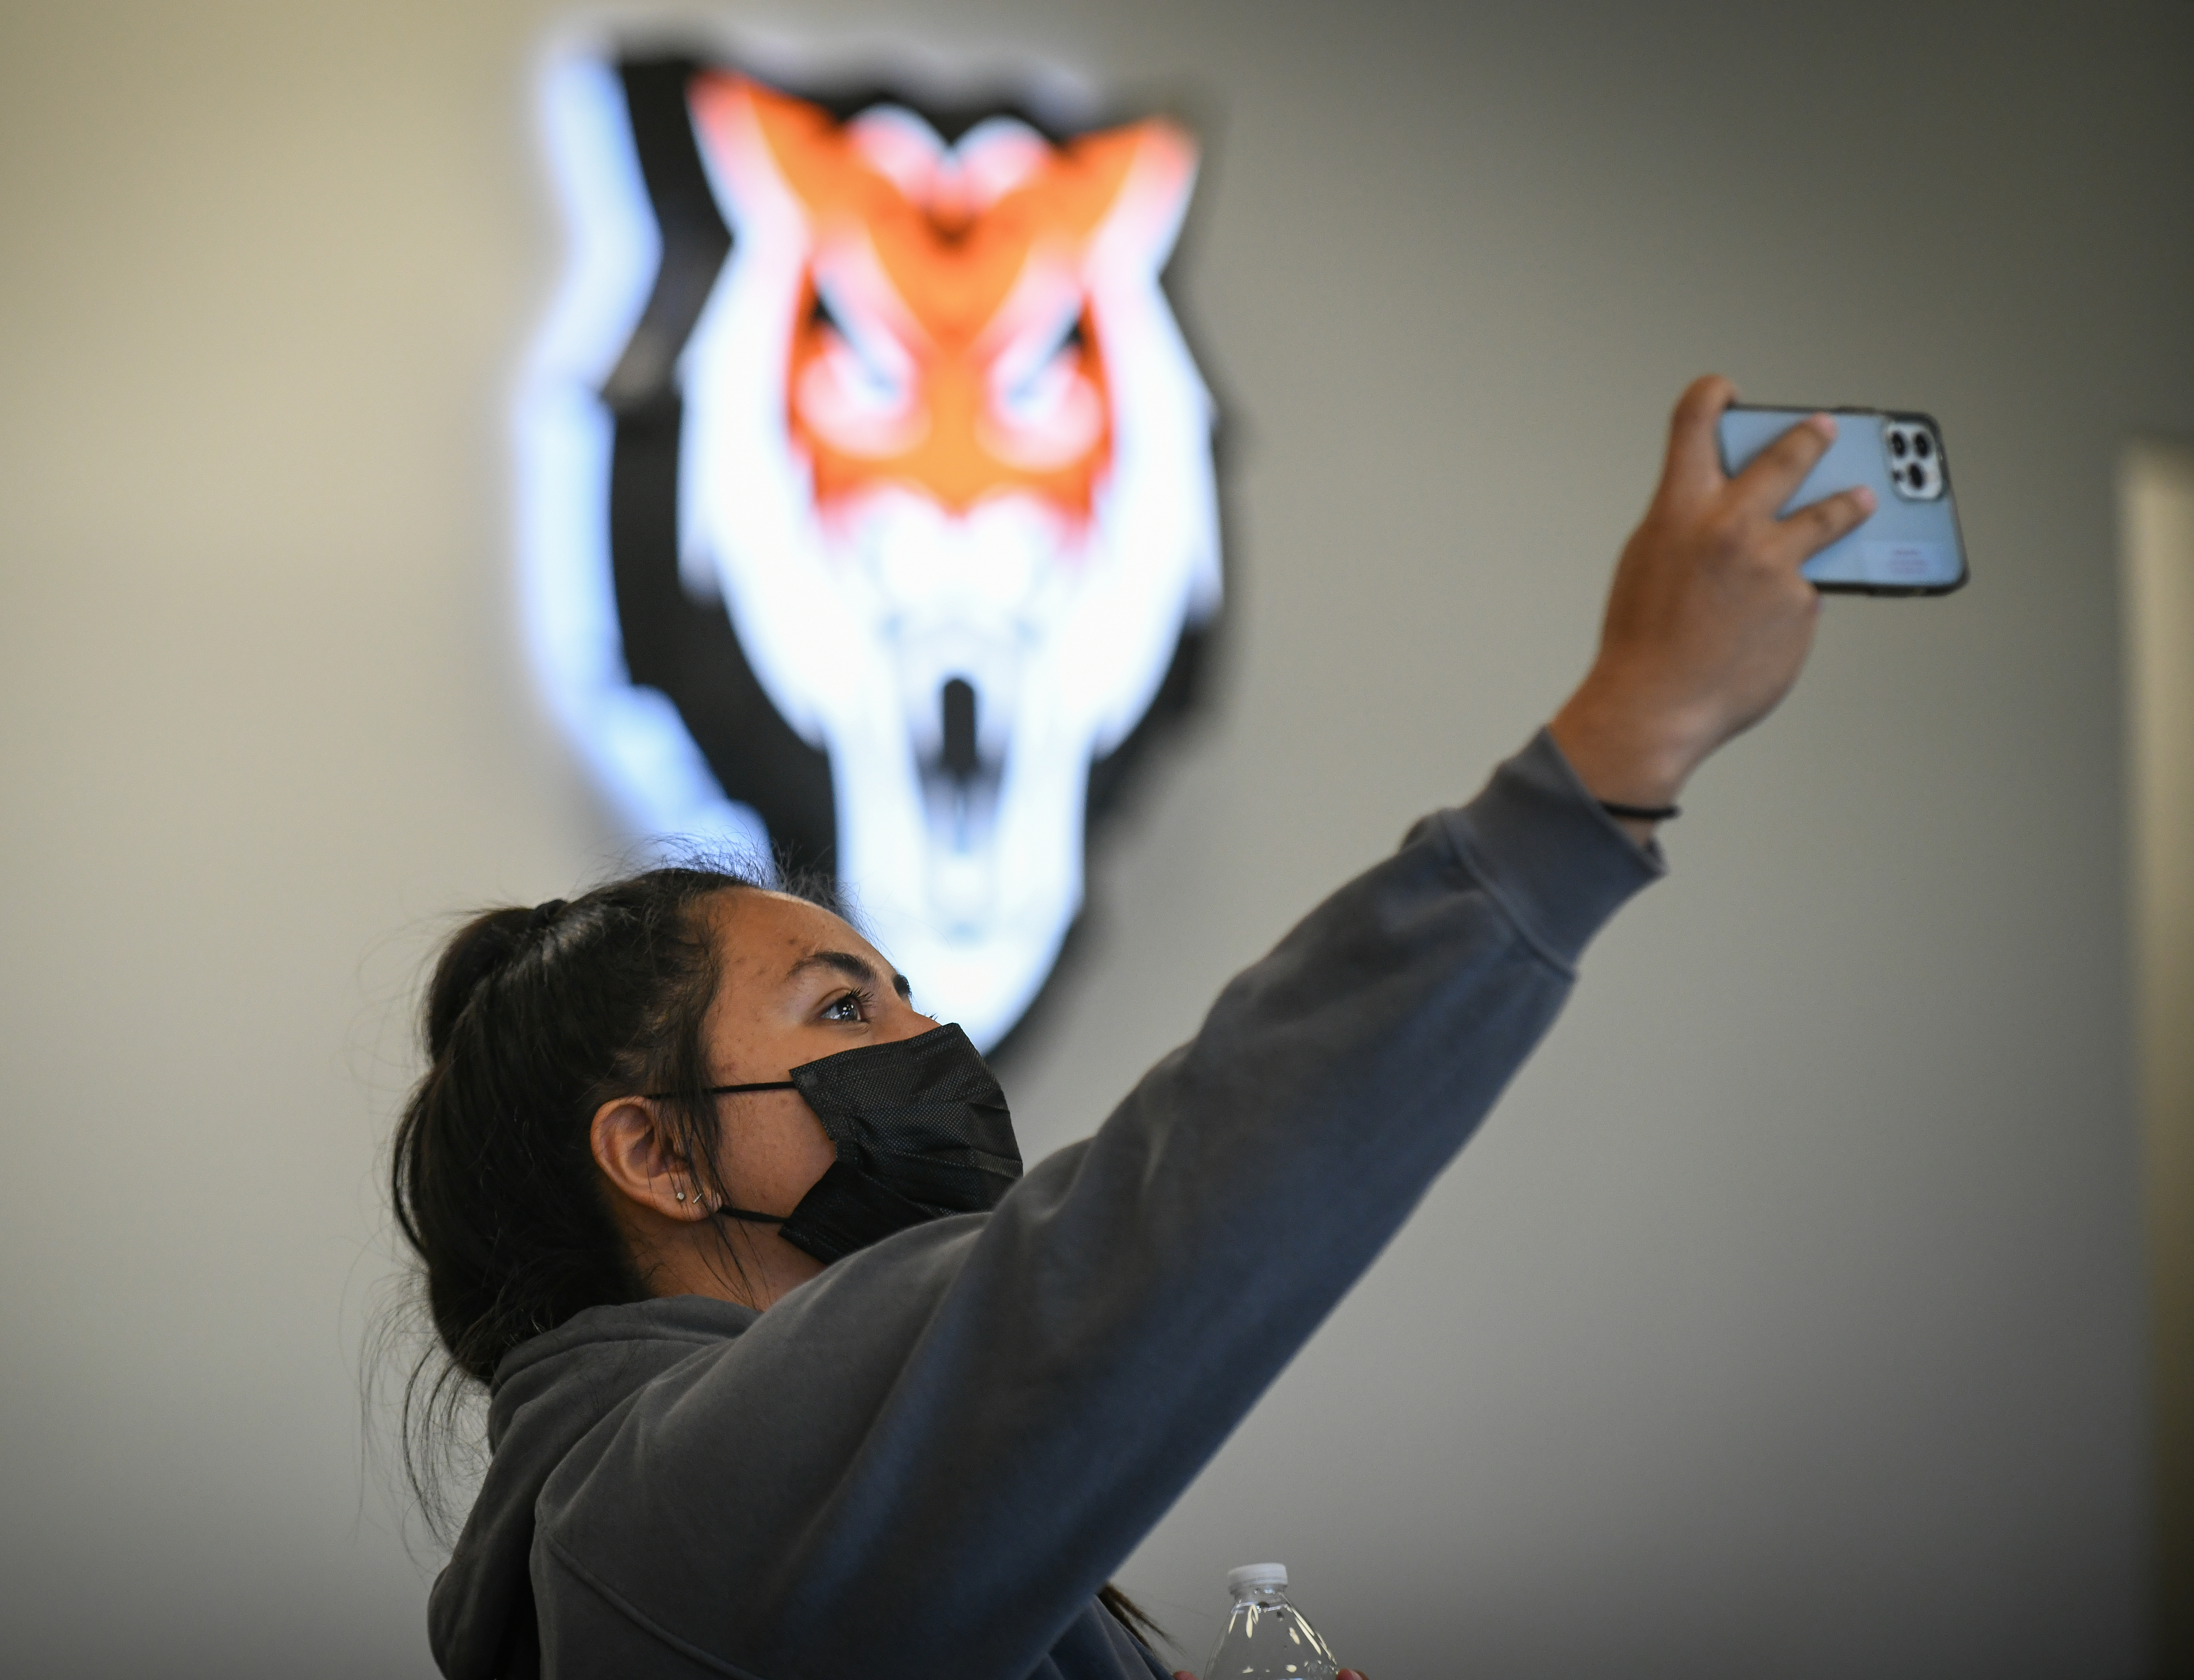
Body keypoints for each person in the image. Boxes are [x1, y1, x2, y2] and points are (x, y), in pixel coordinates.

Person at [389, 377, 1875, 1679]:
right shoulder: (671, 1509)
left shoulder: (751, 1514)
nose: (930, 1040)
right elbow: (1173, 1205)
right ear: (654, 1151)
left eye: (901, 990)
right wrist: (1624, 740)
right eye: (842, 1007)